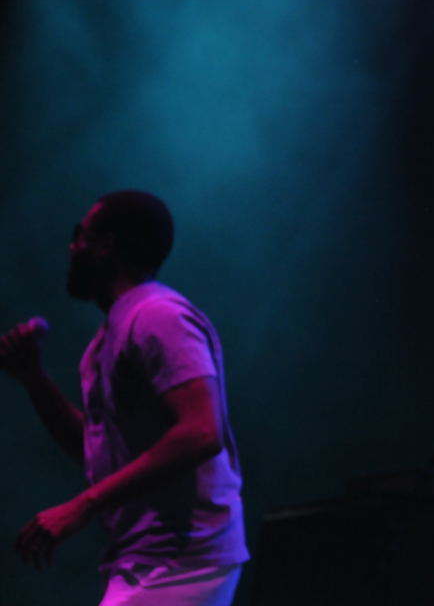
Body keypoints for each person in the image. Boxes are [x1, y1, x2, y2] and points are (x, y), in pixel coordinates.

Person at [0, 190, 248, 605]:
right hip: (151, 559)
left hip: (184, 559)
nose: (71, 247)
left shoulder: (158, 315)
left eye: (80, 236)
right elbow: (92, 449)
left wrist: (82, 506)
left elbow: (202, 432)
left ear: (106, 246)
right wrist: (34, 379)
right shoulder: (107, 339)